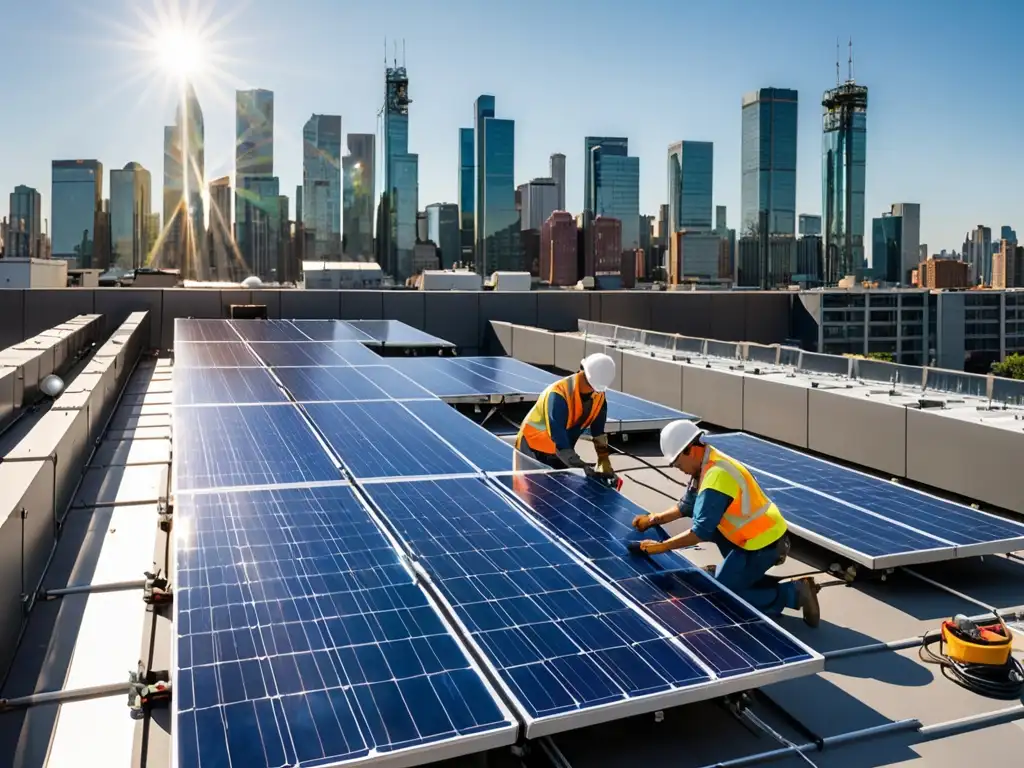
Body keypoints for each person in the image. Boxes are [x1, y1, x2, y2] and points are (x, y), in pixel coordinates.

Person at [630, 420, 820, 626]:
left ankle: (794, 594)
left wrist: (662, 547)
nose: (678, 468)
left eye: (677, 463)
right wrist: (653, 519)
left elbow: (700, 532)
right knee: (724, 579)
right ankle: (734, 576)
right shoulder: (705, 464)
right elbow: (686, 506)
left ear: (690, 450)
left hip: (762, 543)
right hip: (747, 539)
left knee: (723, 597)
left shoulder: (716, 476)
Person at [515, 353, 616, 476]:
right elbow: (557, 432)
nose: (590, 388)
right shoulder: (558, 394)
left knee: (559, 491)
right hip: (531, 449)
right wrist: (577, 464)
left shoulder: (598, 397)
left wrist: (603, 459)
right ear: (581, 370)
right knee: (529, 492)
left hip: (559, 451)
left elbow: (598, 432)